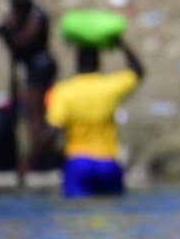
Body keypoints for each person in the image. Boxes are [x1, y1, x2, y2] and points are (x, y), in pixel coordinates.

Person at [45, 38, 144, 198]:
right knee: (111, 213)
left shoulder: (63, 91)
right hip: (108, 162)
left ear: (77, 63)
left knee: (77, 213)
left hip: (78, 162)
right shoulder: (109, 87)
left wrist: (44, 158)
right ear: (98, 63)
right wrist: (120, 43)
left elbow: (53, 130)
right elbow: (138, 72)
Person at [0, 0, 58, 176]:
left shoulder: (36, 16)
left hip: (41, 67)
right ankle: (40, 155)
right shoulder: (24, 15)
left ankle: (37, 158)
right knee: (33, 115)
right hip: (34, 68)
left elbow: (21, 41)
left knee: (35, 115)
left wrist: (6, 32)